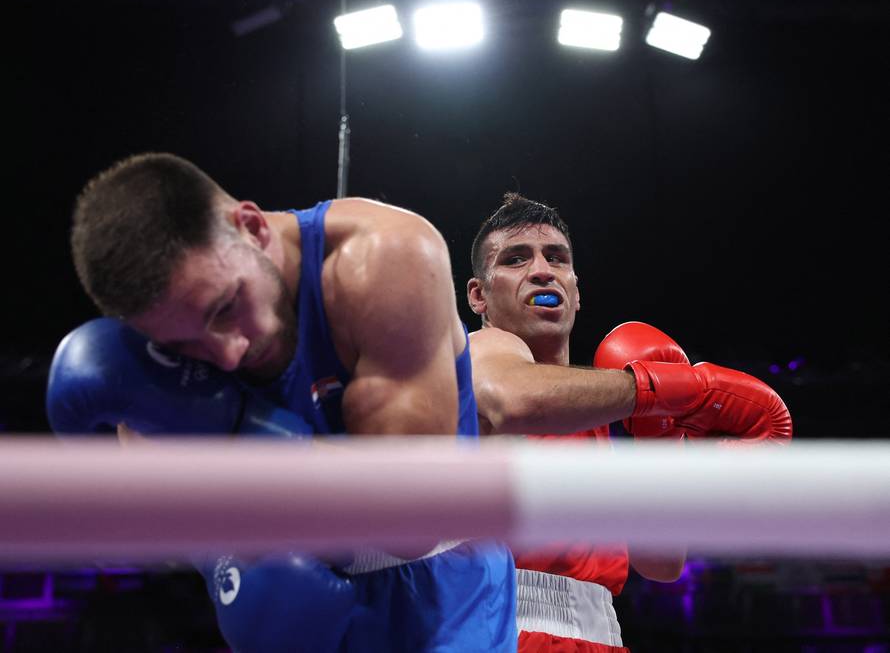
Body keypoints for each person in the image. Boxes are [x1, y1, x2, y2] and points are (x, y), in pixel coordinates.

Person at [57, 152, 517, 652]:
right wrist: (223, 563)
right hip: (291, 606)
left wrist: (238, 428)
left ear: (251, 227)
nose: (225, 354)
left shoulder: (383, 260)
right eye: (184, 347)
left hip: (438, 602)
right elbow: (140, 527)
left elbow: (411, 522)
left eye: (225, 308)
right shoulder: (163, 335)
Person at [465, 193, 792, 653]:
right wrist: (675, 390)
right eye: (516, 259)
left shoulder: (604, 406)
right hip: (496, 627)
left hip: (599, 633)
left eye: (556, 258)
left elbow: (660, 561)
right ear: (479, 294)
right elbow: (511, 398)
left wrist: (661, 433)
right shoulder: (484, 353)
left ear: (576, 292)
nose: (542, 270)